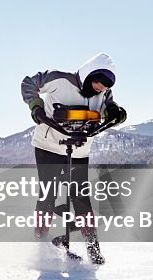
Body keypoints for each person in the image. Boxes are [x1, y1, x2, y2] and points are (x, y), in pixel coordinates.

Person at [20, 52, 126, 264]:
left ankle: (93, 249)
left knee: (81, 199)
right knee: (48, 195)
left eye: (106, 86)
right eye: (99, 83)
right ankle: (40, 246)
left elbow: (109, 108)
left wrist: (116, 113)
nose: (102, 89)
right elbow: (29, 83)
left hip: (79, 150)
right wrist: (36, 106)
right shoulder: (59, 79)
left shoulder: (103, 94)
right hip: (48, 146)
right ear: (88, 75)